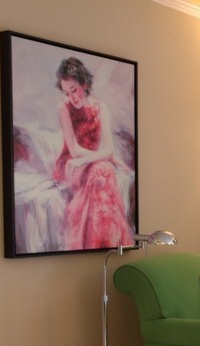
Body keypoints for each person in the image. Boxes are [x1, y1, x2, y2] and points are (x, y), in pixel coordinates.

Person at [52, 57, 134, 250]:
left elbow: (108, 148)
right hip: (70, 164)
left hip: (90, 162)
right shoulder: (64, 108)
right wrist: (104, 157)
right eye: (66, 92)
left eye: (74, 90)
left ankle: (102, 242)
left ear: (85, 84)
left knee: (103, 170)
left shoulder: (101, 108)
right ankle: (99, 244)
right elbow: (74, 150)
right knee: (102, 169)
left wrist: (108, 157)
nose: (72, 97)